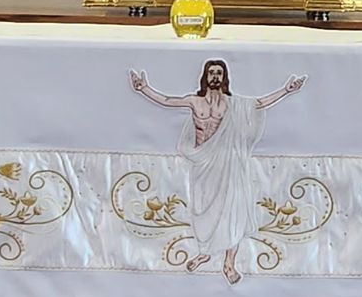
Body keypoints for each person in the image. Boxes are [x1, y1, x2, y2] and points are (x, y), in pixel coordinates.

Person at [130, 57, 305, 279]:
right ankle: (205, 252)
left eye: (219, 73)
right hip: (202, 163)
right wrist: (143, 89)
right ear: (205, 76)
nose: (215, 76)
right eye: (211, 72)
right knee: (204, 210)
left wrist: (286, 91)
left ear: (224, 78)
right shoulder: (195, 101)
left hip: (228, 163)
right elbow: (167, 101)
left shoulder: (233, 104)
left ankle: (229, 263)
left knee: (232, 209)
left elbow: (259, 103)